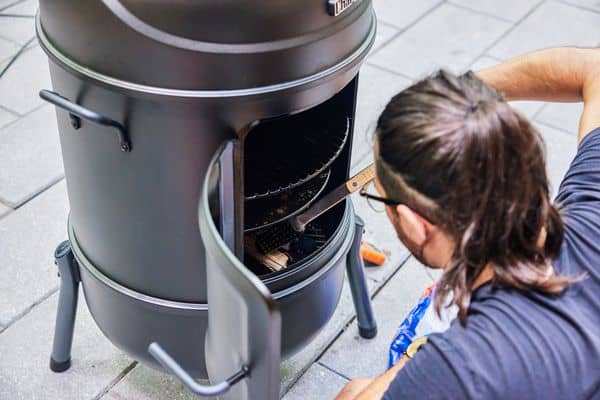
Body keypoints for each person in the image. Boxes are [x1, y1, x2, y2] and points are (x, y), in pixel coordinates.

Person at [335, 47, 600, 399]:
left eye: (379, 195)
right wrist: (464, 99)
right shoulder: (592, 198)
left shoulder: (460, 371)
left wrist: (416, 357)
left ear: (414, 224)